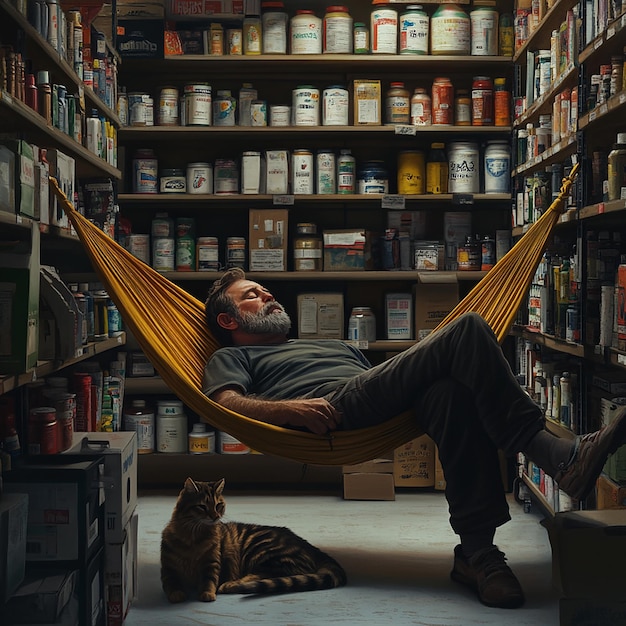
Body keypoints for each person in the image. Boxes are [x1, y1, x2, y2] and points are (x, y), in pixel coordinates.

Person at [202, 267, 626, 609]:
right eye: (253, 294)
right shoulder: (233, 355)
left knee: (451, 395)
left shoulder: (335, 345)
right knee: (469, 327)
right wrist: (286, 409)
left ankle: (478, 554)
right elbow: (225, 403)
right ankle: (554, 453)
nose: (269, 294)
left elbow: (374, 383)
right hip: (329, 407)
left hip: (369, 394)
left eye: (264, 288)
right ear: (228, 319)